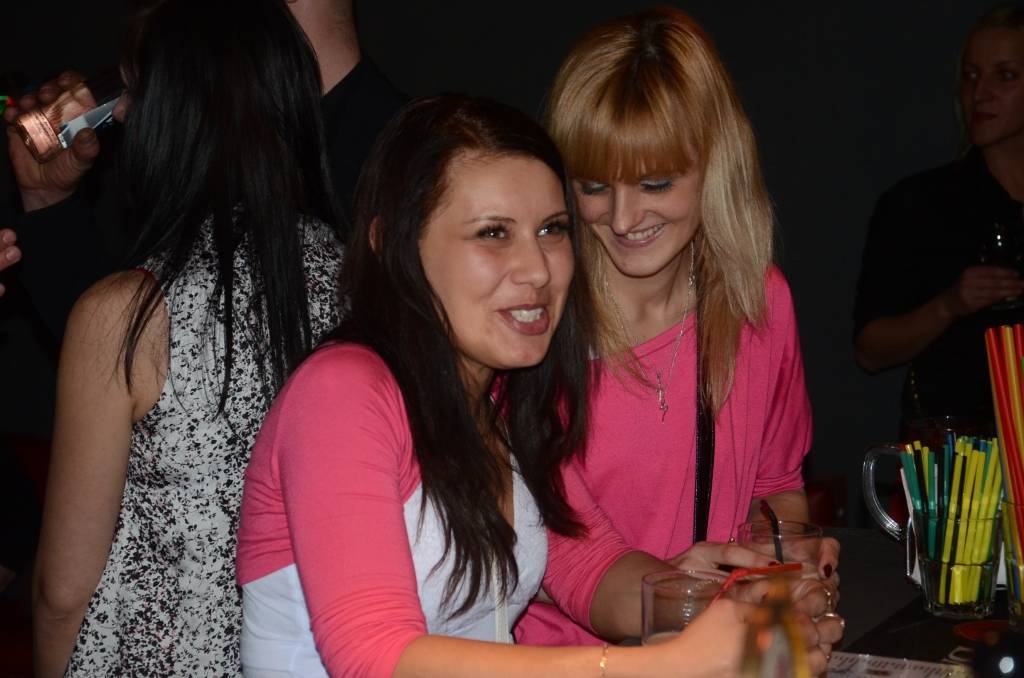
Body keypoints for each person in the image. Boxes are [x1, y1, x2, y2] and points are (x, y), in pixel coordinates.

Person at [235, 94, 841, 677]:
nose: (536, 269)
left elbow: (585, 564)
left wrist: (726, 606)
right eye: (493, 233)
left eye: (551, 230)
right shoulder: (342, 393)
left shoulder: (500, 398)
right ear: (391, 243)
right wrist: (656, 666)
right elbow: (375, 656)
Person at [31, 0, 345, 674]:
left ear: (177, 112)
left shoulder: (128, 314)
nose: (120, 114)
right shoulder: (364, 282)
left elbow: (63, 592)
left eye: (135, 92)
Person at [515, 7, 841, 647]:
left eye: (655, 183)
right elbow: (570, 557)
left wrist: (781, 569)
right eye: (593, 186)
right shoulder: (537, 322)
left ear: (716, 164)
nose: (622, 217)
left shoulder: (758, 302)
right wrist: (704, 603)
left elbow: (775, 486)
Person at [1, 0, 403, 334]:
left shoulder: (412, 168)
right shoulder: (209, 148)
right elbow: (131, 366)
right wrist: (49, 202)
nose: (122, 111)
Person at [854, 4, 1024, 424]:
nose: (980, 93)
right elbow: (869, 350)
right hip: (957, 454)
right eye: (971, 76)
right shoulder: (919, 204)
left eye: (1005, 75)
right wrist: (949, 305)